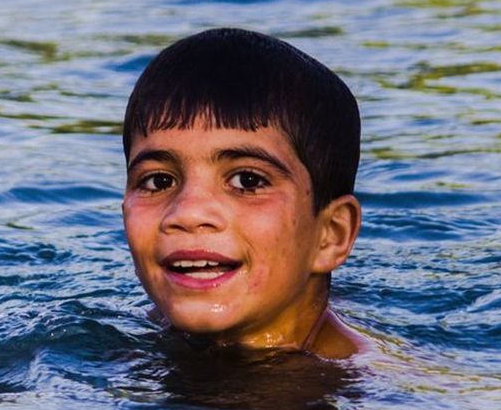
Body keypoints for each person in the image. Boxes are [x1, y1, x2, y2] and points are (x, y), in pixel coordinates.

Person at [122, 28, 368, 359]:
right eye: (159, 182)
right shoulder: (117, 341)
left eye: (247, 181)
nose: (188, 213)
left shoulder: (385, 394)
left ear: (331, 235)